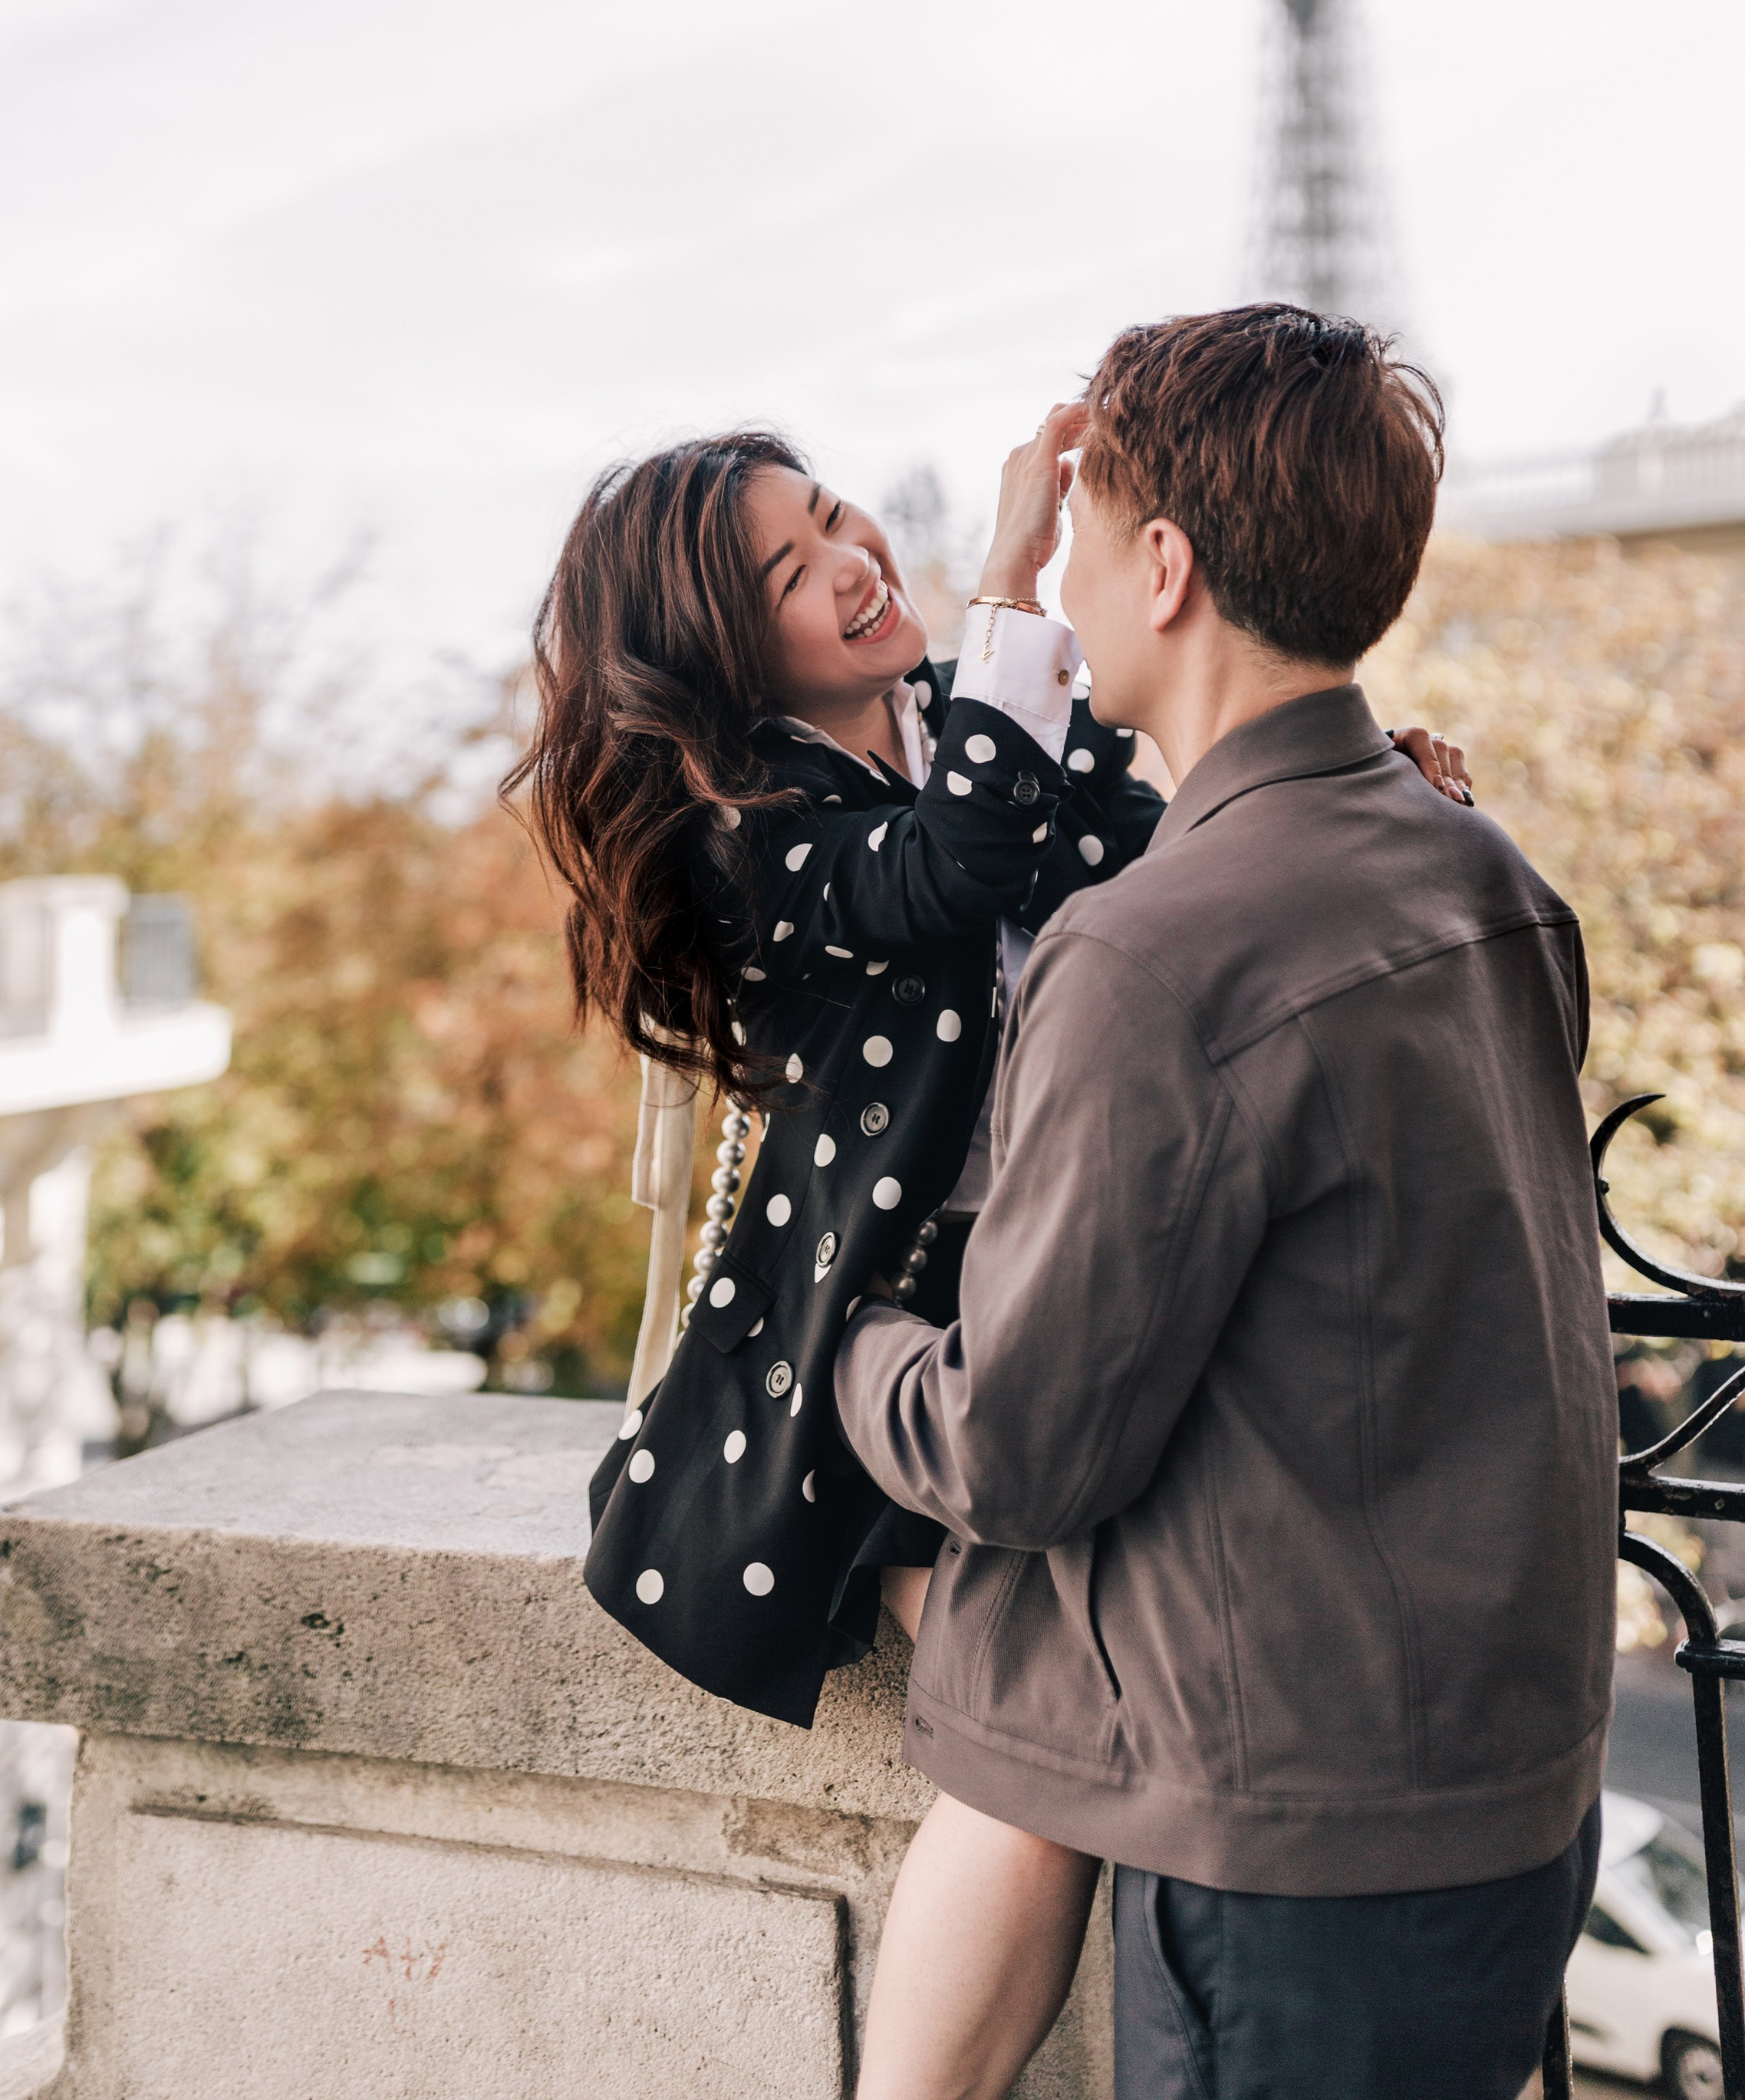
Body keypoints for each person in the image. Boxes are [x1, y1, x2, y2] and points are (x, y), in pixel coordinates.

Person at [833, 304, 1618, 2100]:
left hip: (1304, 1857)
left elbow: (1015, 1453)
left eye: (1087, 537)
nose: (1070, 574)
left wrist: (850, 1343)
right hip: (1505, 1793)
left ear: (1164, 566)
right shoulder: (1480, 871)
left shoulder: (1152, 949)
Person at [512, 410, 1470, 1726]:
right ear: (721, 663)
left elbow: (1193, 857)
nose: (851, 561)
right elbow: (951, 859)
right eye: (790, 575)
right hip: (900, 1316)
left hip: (1075, 1256)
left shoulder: (1001, 709)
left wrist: (1359, 785)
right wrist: (1013, 570)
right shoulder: (753, 833)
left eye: (834, 515)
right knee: (1040, 1685)